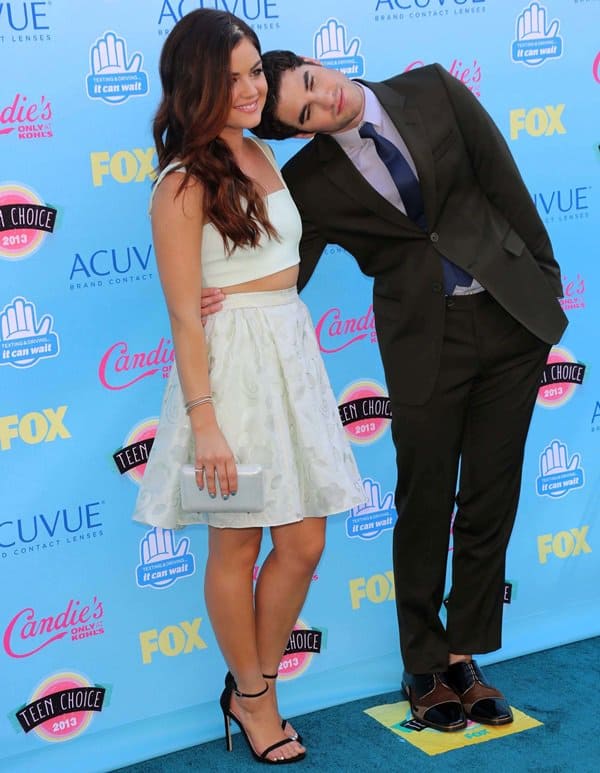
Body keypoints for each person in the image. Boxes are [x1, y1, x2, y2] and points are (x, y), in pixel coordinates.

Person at [202, 52, 568, 732]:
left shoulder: (432, 87)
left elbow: (502, 179)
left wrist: (543, 280)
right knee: (425, 498)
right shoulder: (309, 181)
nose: (324, 101)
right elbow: (286, 271)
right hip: (425, 343)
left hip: (512, 318)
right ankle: (425, 666)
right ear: (302, 132)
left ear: (318, 63)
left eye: (312, 84)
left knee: (491, 493)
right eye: (305, 113)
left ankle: (466, 656)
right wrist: (231, 301)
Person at [132, 15, 365, 764]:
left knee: (302, 539)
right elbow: (181, 315)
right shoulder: (180, 183)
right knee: (235, 546)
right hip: (227, 381)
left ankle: (251, 685)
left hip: (290, 361)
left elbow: (341, 111)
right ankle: (258, 701)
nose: (251, 87)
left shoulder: (263, 147)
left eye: (256, 70)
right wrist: (205, 424)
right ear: (196, 83)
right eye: (231, 76)